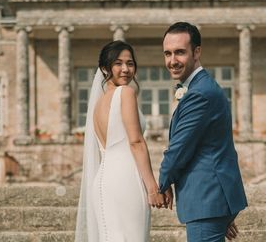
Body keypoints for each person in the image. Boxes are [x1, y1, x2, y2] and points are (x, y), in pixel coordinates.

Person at [158, 22, 248, 242]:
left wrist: (161, 183)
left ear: (197, 52)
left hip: (206, 196)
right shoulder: (202, 87)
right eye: (167, 53)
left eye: (180, 52)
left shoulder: (200, 93)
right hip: (213, 198)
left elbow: (180, 147)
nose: (172, 61)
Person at [75, 40, 165, 242]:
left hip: (104, 180)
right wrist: (153, 187)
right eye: (118, 63)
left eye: (130, 63)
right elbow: (136, 142)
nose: (125, 69)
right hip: (126, 178)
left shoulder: (98, 104)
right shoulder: (126, 93)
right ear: (105, 68)